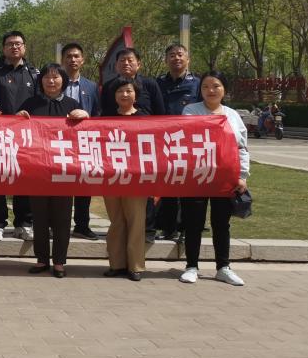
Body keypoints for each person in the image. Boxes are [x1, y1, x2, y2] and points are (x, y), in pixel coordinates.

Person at [16, 63, 90, 278]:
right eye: (47, 77)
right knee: (39, 217)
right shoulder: (31, 103)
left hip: (64, 169)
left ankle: (59, 262)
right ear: (41, 81)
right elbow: (17, 130)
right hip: (37, 169)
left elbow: (85, 133)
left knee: (62, 218)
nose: (51, 81)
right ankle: (41, 260)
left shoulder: (72, 104)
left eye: (56, 77)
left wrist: (85, 115)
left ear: (63, 81)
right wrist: (18, 117)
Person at [179, 71, 249, 287]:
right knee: (194, 222)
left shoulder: (233, 115)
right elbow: (188, 137)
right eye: (206, 86)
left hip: (225, 178)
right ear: (200, 90)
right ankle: (191, 266)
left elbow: (242, 147)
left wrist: (242, 175)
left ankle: (223, 267)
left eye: (216, 86)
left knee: (221, 223)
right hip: (197, 175)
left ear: (224, 89)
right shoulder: (190, 111)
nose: (211, 90)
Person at [100, 47, 166, 243]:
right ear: (116, 65)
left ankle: (148, 229)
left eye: (130, 60)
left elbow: (160, 114)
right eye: (122, 60)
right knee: (120, 187)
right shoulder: (109, 86)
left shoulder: (150, 84)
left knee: (145, 187)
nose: (126, 63)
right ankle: (122, 229)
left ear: (139, 64)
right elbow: (104, 115)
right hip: (118, 145)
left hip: (144, 145)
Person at [0, 31, 39, 240]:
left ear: (24, 47)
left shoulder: (34, 74)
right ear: (3, 48)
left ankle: (24, 222)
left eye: (18, 43)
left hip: (26, 136)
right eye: (10, 44)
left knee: (24, 178)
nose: (14, 47)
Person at [100, 77, 149, 282]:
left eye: (129, 91)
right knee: (116, 221)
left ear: (136, 94)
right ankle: (117, 263)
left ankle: (135, 265)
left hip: (136, 178)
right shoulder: (105, 118)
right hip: (111, 177)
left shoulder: (146, 119)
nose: (124, 95)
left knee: (136, 221)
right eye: (120, 91)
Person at [155, 43, 201, 241]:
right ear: (166, 60)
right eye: (172, 55)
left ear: (188, 59)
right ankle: (168, 228)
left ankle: (185, 228)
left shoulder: (198, 84)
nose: (176, 58)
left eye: (180, 55)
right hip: (163, 141)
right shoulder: (158, 83)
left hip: (188, 142)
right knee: (167, 186)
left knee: (187, 186)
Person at [60, 42, 100, 241]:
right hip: (60, 142)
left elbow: (98, 112)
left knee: (85, 184)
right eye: (68, 56)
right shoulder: (54, 83)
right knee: (61, 183)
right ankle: (58, 225)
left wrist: (88, 117)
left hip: (84, 141)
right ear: (62, 60)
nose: (72, 60)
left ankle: (82, 225)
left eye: (76, 56)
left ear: (82, 60)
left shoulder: (91, 87)